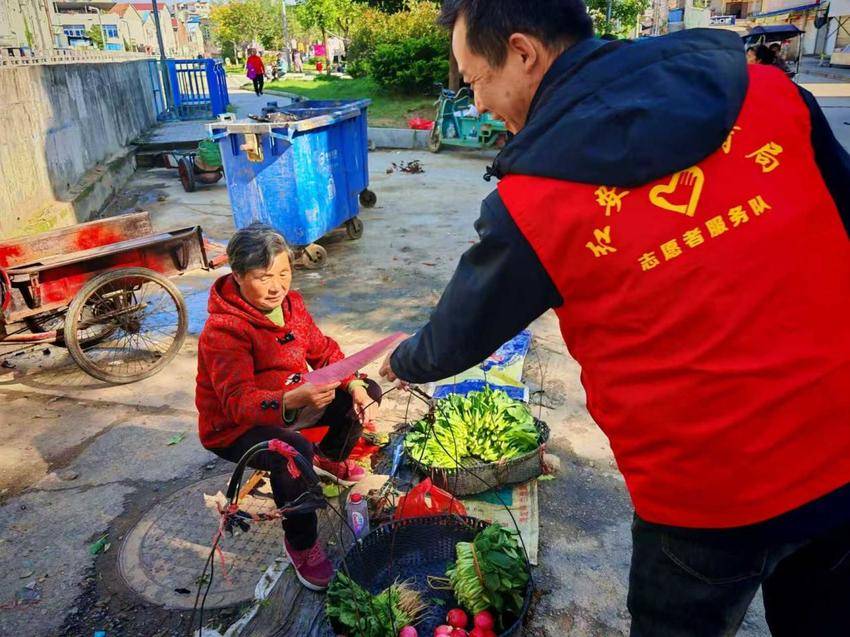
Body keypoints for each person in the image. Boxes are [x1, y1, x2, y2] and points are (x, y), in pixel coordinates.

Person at [380, 1, 850, 635]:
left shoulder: (535, 203)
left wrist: (396, 361)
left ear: (523, 53)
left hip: (705, 501)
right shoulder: (772, 96)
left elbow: (456, 336)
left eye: (475, 81)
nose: (478, 103)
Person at [196, 223, 381, 591]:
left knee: (363, 392)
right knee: (290, 453)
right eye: (264, 277)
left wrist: (353, 383)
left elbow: (323, 351)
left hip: (290, 403)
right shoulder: (224, 331)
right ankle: (302, 544)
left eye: (283, 273)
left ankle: (328, 458)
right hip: (234, 427)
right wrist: (293, 399)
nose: (276, 286)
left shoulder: (292, 305)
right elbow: (237, 403)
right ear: (238, 276)